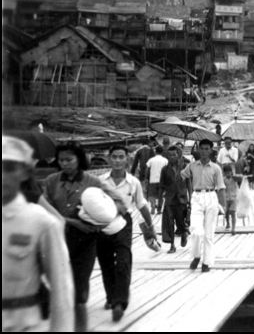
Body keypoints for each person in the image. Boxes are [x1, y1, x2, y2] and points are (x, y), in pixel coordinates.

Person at [43, 141, 126, 332]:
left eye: (69, 159)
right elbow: (45, 210)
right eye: (61, 160)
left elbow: (118, 202)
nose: (64, 163)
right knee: (59, 287)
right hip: (57, 238)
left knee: (80, 291)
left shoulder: (92, 181)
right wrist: (72, 221)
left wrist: (106, 216)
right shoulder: (51, 181)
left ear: (79, 159)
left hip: (85, 240)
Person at [2, 136, 74, 332]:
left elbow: (61, 290)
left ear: (24, 172)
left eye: (8, 168)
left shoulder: (39, 222)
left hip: (23, 324)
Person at [97, 145, 156, 322]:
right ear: (109, 159)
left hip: (124, 223)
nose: (117, 160)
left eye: (121, 157)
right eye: (114, 157)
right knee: (105, 262)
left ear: (127, 159)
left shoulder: (133, 182)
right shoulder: (100, 182)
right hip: (103, 223)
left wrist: (150, 227)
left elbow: (141, 204)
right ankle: (110, 296)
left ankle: (119, 303)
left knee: (123, 261)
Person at [180, 139, 226, 273]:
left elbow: (221, 187)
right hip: (197, 196)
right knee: (196, 230)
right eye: (202, 148)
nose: (204, 151)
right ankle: (196, 256)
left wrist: (223, 205)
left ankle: (206, 262)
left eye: (207, 149)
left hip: (211, 196)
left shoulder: (216, 168)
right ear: (199, 150)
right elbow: (181, 177)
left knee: (209, 233)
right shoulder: (192, 166)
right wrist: (180, 163)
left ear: (211, 151)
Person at [160, 146, 189, 254]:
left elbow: (188, 183)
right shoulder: (164, 170)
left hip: (181, 198)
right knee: (169, 222)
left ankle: (183, 233)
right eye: (170, 155)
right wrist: (159, 202)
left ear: (178, 155)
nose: (172, 157)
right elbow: (162, 186)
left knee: (181, 221)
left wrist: (190, 197)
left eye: (174, 155)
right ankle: (172, 245)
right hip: (169, 199)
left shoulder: (184, 167)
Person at [145, 146, 168, 215]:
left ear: (155, 151)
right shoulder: (165, 160)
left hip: (152, 180)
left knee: (152, 194)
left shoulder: (151, 160)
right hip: (162, 180)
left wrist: (146, 178)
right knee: (160, 195)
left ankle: (153, 204)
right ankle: (159, 210)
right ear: (162, 152)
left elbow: (147, 169)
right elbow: (167, 170)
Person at [222, 165, 243, 235]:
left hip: (234, 197)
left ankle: (233, 228)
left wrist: (234, 176)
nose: (228, 174)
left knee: (233, 212)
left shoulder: (235, 178)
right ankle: (228, 223)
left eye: (229, 172)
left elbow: (241, 178)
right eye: (226, 173)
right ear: (224, 173)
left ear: (231, 172)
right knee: (227, 212)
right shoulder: (223, 180)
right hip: (226, 198)